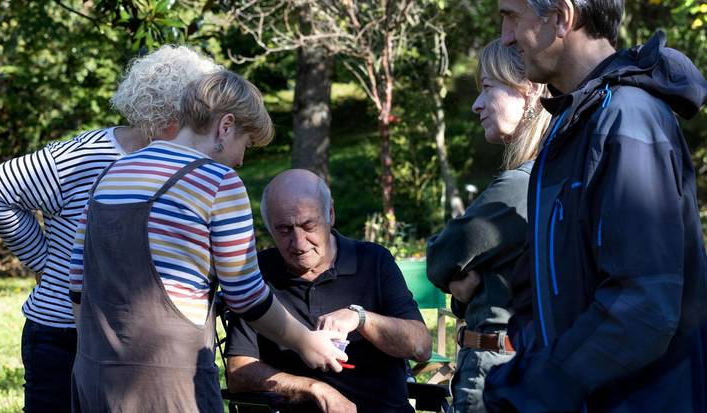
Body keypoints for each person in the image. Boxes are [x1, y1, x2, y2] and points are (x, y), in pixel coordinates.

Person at [68, 71, 347, 412]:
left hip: (93, 375)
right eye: (244, 144)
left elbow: (78, 286)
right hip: (170, 382)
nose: (241, 160)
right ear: (225, 126)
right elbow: (246, 296)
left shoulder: (110, 174)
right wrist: (307, 342)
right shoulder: (217, 181)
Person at [484, 1, 707, 412]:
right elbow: (549, 283)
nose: (506, 37)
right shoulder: (572, 126)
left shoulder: (626, 119)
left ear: (563, 16)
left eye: (512, 16)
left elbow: (643, 307)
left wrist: (535, 386)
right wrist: (529, 358)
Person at [0, 44, 220, 412]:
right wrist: (43, 262)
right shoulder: (86, 156)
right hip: (64, 334)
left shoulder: (180, 167)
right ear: (171, 114)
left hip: (133, 340)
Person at [225, 169, 432, 413]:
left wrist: (362, 318)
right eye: (284, 230)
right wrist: (314, 389)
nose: (299, 243)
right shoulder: (257, 274)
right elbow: (238, 373)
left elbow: (421, 346)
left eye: (308, 225)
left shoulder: (373, 261)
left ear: (330, 214)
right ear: (269, 227)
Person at [426, 38, 550, 413]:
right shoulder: (550, 176)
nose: (476, 104)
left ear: (527, 91)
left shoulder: (520, 185)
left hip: (496, 371)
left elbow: (442, 254)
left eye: (487, 88)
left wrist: (456, 278)